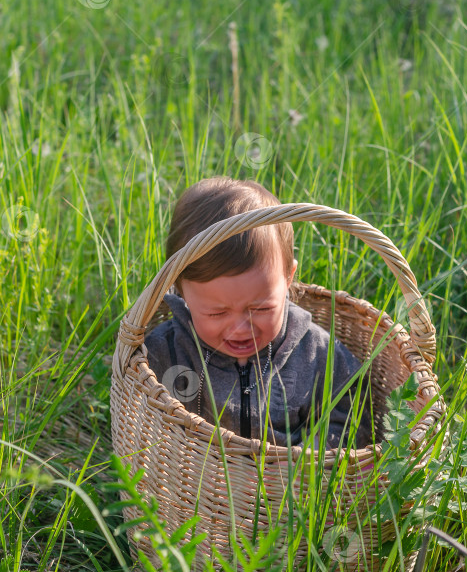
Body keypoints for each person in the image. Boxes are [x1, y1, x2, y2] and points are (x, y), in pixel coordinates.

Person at [145, 176, 371, 450]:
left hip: (291, 484)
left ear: (288, 278)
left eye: (260, 309)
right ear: (180, 289)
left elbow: (347, 416)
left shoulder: (317, 354)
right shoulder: (166, 351)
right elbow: (144, 415)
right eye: (217, 313)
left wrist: (307, 461)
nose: (241, 328)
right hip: (192, 482)